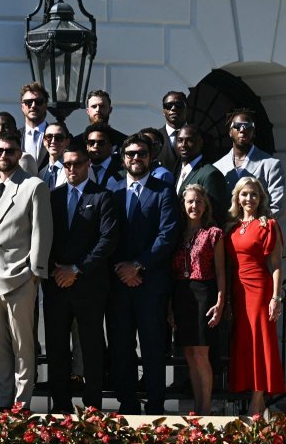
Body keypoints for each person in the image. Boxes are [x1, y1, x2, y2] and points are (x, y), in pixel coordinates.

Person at [0, 131, 51, 409]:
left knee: (23, 346)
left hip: (19, 277)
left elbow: (42, 232)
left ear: (19, 154)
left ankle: (21, 401)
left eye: (9, 150)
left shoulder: (34, 186)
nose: (3, 155)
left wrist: (35, 274)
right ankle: (4, 397)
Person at [107, 133, 178, 415]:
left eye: (142, 153)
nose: (136, 158)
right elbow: (106, 236)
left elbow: (167, 236)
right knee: (121, 346)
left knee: (152, 347)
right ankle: (127, 404)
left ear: (151, 157)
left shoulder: (163, 191)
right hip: (118, 284)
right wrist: (121, 268)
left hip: (151, 283)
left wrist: (137, 265)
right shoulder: (112, 192)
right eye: (131, 154)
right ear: (123, 159)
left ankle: (156, 405)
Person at [45, 145, 119, 412]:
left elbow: (107, 241)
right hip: (56, 284)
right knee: (56, 347)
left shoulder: (103, 197)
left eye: (77, 164)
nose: (72, 169)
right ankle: (61, 406)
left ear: (88, 164)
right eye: (67, 165)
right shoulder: (52, 197)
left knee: (91, 347)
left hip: (89, 285)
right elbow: (44, 238)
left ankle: (93, 406)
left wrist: (75, 269)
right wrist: (56, 269)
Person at [225, 177, 285, 415]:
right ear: (237, 197)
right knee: (244, 341)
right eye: (244, 194)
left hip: (260, 290)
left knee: (260, 340)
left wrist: (275, 297)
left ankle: (258, 399)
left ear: (260, 199)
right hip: (238, 291)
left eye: (254, 195)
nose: (249, 199)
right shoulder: (232, 227)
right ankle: (250, 393)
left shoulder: (268, 225)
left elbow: (276, 263)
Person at [168, 184, 226, 415]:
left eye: (199, 201)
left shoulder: (214, 233)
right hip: (182, 294)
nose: (194, 206)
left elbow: (221, 270)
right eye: (190, 201)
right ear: (183, 205)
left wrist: (221, 301)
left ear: (206, 206)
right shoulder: (178, 234)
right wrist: (170, 306)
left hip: (205, 292)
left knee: (202, 353)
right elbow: (172, 273)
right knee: (190, 353)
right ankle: (197, 407)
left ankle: (206, 407)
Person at [213, 108, 284, 221]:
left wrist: (257, 227)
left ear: (253, 132)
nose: (242, 129)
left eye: (247, 126)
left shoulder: (271, 165)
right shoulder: (218, 167)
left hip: (259, 232)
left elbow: (278, 205)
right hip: (228, 233)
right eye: (237, 126)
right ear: (230, 132)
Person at [175, 124, 226, 218]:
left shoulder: (210, 174)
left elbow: (215, 214)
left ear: (201, 142)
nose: (183, 145)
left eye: (189, 140)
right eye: (180, 140)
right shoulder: (179, 170)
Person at [19, 82, 50, 171]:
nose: (33, 106)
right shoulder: (16, 136)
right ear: (22, 107)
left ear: (45, 105)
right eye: (28, 102)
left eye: (38, 102)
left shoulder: (58, 136)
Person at [158, 91, 189, 174]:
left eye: (178, 105)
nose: (173, 108)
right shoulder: (153, 138)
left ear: (186, 109)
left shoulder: (202, 137)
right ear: (163, 111)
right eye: (168, 106)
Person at [85, 122, 123, 188]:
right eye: (91, 142)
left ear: (110, 147)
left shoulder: (122, 170)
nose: (95, 146)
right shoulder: (80, 168)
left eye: (101, 143)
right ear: (87, 146)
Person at [40, 122, 71, 189]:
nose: (53, 141)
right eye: (49, 137)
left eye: (59, 137)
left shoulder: (77, 168)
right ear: (44, 141)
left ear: (67, 142)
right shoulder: (40, 174)